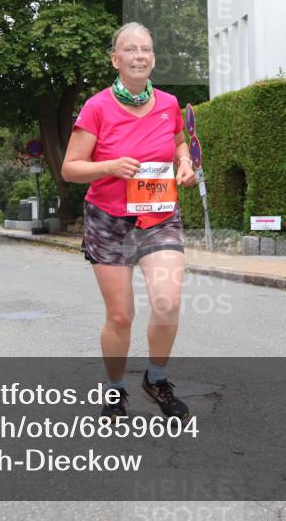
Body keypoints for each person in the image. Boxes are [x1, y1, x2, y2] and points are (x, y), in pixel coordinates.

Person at [62, 22, 197, 422]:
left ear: (153, 58)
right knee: (121, 315)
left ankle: (156, 379)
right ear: (115, 59)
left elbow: (178, 142)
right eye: (131, 49)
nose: (140, 55)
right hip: (108, 219)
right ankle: (116, 389)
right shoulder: (97, 107)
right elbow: (71, 168)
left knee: (167, 301)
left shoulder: (169, 103)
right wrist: (110, 166)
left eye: (147, 49)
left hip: (159, 215)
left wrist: (185, 163)